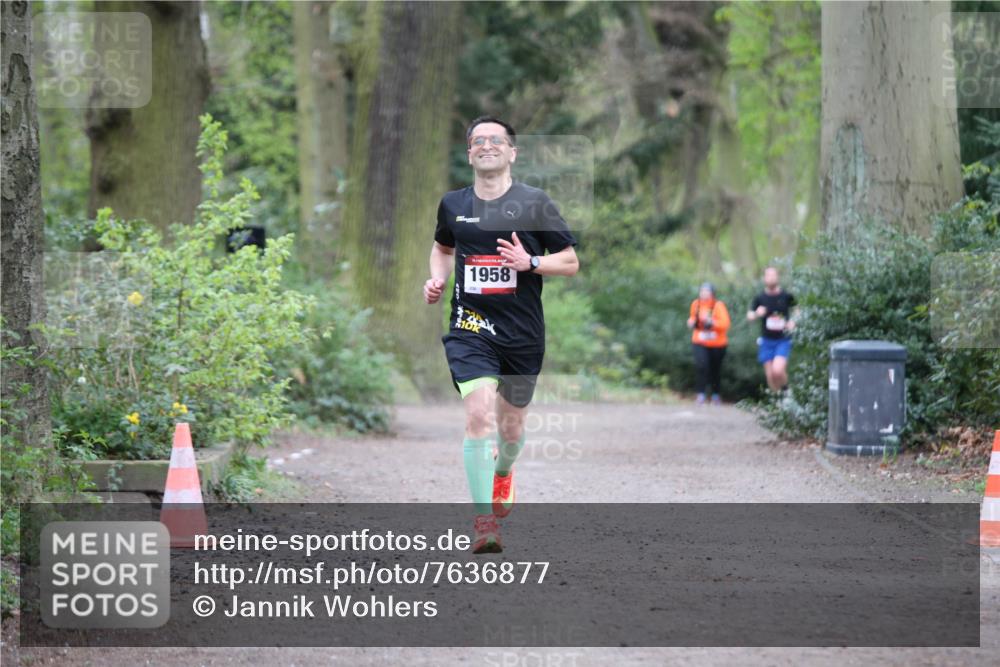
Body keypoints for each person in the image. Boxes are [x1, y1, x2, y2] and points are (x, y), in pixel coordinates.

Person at [423, 116, 579, 554]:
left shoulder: (535, 203)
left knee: (510, 431)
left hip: (522, 333)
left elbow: (569, 261)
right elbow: (441, 248)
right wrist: (436, 280)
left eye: (497, 140)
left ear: (512, 152)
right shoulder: (453, 204)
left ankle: (504, 471)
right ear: (470, 153)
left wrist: (529, 263)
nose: (487, 145)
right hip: (470, 327)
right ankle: (484, 523)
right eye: (478, 140)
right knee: (478, 417)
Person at [747, 266, 798, 392]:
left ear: (778, 277)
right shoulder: (760, 298)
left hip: (783, 339)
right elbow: (750, 316)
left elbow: (797, 309)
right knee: (770, 375)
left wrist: (793, 321)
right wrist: (757, 313)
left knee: (778, 370)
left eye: (773, 275)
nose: (770, 278)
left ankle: (787, 393)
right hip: (766, 340)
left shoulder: (786, 296)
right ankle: (777, 402)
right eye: (768, 275)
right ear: (764, 278)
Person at [686, 282, 730, 406]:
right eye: (702, 291)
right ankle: (700, 394)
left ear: (712, 293)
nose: (704, 293)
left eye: (707, 291)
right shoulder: (696, 304)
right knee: (702, 366)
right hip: (699, 341)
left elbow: (725, 324)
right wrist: (691, 322)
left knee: (715, 370)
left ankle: (716, 395)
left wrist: (713, 322)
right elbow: (693, 319)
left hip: (718, 344)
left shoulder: (718, 306)